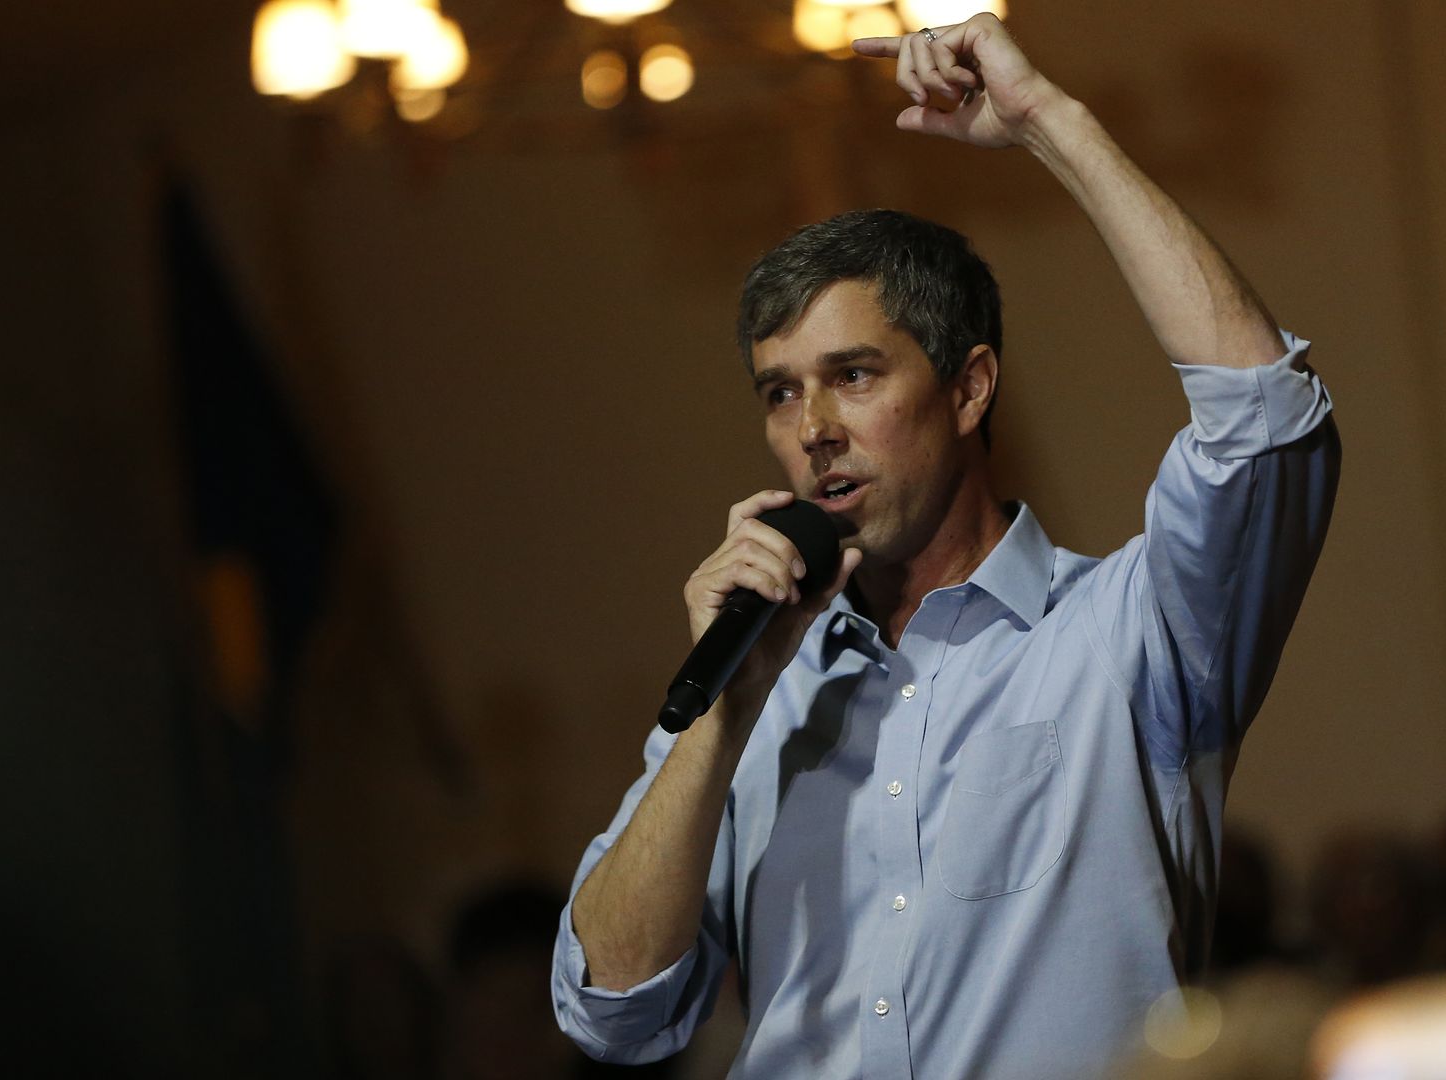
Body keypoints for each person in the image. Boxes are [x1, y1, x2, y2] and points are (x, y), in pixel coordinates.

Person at [551, 15, 1340, 1079]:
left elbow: (1264, 421)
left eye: (856, 376)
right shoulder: (754, 689)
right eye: (781, 393)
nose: (813, 427)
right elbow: (612, 1008)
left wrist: (1050, 126)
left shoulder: (1129, 634)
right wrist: (723, 712)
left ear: (968, 388)